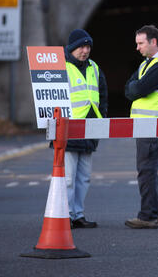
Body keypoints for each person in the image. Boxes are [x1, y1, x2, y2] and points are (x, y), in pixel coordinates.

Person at [124, 25, 158, 229]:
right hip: (145, 124)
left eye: (141, 43)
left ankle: (147, 216)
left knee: (146, 169)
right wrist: (135, 88)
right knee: (150, 170)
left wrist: (135, 88)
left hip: (153, 124)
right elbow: (130, 89)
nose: (137, 48)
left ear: (153, 42)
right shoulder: (147, 64)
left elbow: (138, 87)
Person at [63, 28, 108, 228]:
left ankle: (78, 215)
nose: (85, 50)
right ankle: (65, 215)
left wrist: (102, 118)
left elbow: (103, 96)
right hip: (69, 128)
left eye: (88, 46)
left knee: (84, 178)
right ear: (72, 48)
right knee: (68, 178)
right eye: (81, 46)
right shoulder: (60, 68)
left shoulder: (94, 68)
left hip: (90, 128)